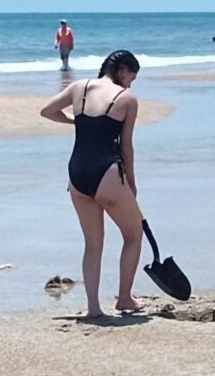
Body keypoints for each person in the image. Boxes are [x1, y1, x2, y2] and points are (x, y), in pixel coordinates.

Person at [39, 50, 143, 318]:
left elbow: (47, 111)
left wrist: (75, 120)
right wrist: (131, 184)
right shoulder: (127, 99)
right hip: (107, 173)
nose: (130, 85)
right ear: (122, 71)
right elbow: (126, 147)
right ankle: (124, 298)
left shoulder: (79, 88)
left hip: (76, 174)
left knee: (93, 245)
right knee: (133, 235)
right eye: (131, 78)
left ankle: (93, 308)